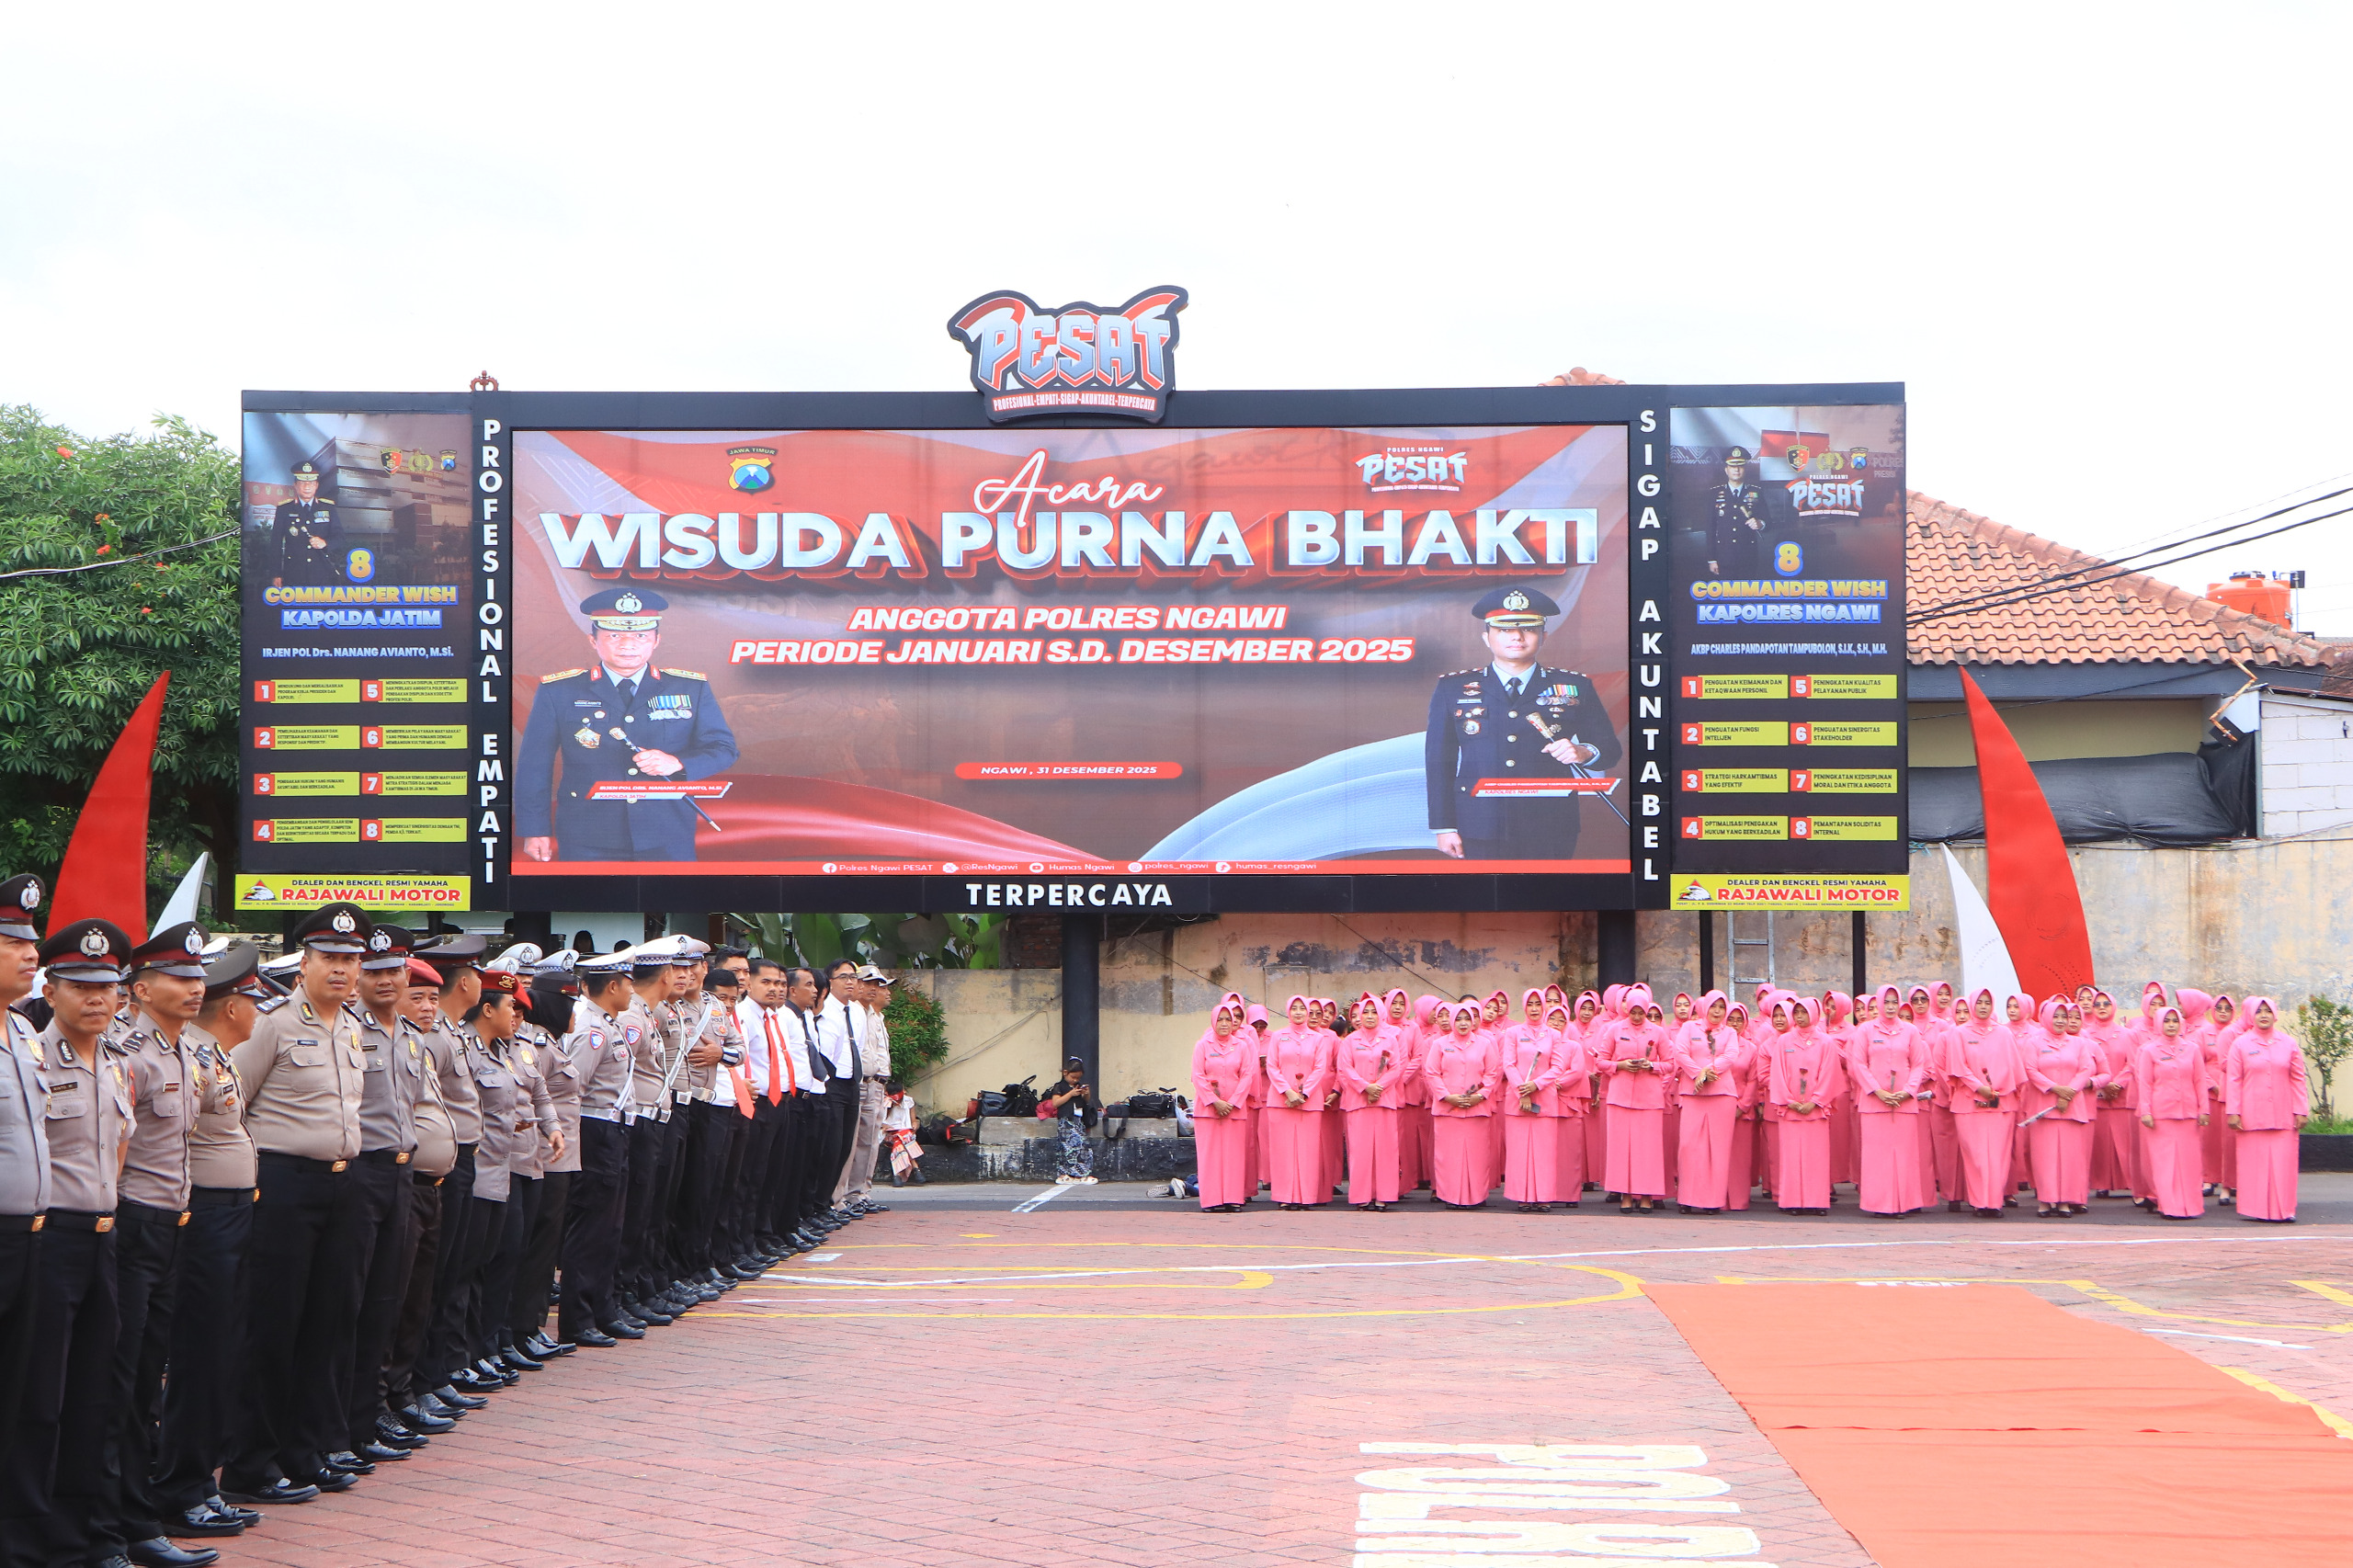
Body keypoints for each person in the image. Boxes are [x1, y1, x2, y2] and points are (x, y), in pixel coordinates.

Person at [221, 903, 371, 1507]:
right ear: (304, 963)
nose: (341, 969)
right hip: (282, 1186)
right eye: (329, 957)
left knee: (327, 1323)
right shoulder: (274, 1025)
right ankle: (251, 1464)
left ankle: (306, 1452)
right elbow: (230, 1102)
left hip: (341, 1185)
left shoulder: (352, 1027)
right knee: (273, 1327)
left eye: (349, 960)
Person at [97, 921, 215, 1568]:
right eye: (178, 977)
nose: (195, 988)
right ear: (140, 989)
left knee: (148, 1379)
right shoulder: (128, 1051)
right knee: (122, 1380)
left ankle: (136, 1515)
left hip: (173, 1224)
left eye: (198, 977)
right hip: (132, 1225)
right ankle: (117, 1525)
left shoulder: (184, 1050)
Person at [24, 918, 139, 1567]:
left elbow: (119, 1148)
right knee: (43, 1397)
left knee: (98, 1392)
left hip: (103, 1236)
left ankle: (85, 1536)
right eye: (81, 987)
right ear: (51, 991)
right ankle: (33, 1538)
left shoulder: (117, 1063)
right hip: (51, 1240)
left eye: (107, 988)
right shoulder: (33, 1061)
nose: (98, 999)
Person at [152, 942, 271, 1544]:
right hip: (204, 1215)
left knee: (224, 1348)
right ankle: (182, 1485)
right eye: (253, 1001)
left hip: (231, 1211)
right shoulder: (191, 1057)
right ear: (231, 1008)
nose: (258, 1013)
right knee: (200, 1352)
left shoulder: (212, 1053)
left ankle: (201, 1483)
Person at [517, 587, 741, 863]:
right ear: (593, 640)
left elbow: (723, 749)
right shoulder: (559, 691)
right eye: (614, 635)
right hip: (587, 831)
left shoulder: (690, 688)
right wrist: (534, 829)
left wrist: (677, 763)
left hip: (666, 830)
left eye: (640, 636)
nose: (628, 645)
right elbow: (534, 764)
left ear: (656, 641)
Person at [1425, 585, 1622, 862]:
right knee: (1486, 890)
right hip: (1479, 822)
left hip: (1550, 823)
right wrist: (1444, 826)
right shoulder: (1453, 688)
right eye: (1504, 629)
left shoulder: (1575, 686)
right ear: (1486, 637)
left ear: (1544, 636)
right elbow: (1439, 762)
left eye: (1529, 629)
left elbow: (1610, 750)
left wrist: (1583, 751)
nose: (1517, 636)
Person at [558, 947, 640, 1346]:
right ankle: (578, 1318)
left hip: (614, 1130)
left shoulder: (609, 1023)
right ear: (611, 987)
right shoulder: (591, 1029)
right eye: (628, 984)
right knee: (590, 1227)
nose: (632, 991)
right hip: (595, 1130)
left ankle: (603, 1309)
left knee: (610, 1227)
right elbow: (574, 1089)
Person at [0, 873, 47, 1564]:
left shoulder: (23, 1030)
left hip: (30, 1237)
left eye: (29, 942)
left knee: (18, 1394)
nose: (29, 953)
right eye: (11, 942)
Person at [1847, 985, 1927, 1217]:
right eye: (1886, 1002)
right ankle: (1878, 1204)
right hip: (1874, 1104)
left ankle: (1904, 1203)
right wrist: (1877, 1091)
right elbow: (1858, 1064)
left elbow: (1918, 1064)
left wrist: (1908, 1091)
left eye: (1894, 1002)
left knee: (1904, 1155)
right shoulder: (1865, 1030)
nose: (1890, 1007)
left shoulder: (1910, 1031)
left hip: (1904, 1103)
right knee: (1877, 1156)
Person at [2225, 997, 2305, 1222]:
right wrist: (2233, 1111)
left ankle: (2284, 1210)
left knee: (2283, 1165)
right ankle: (2255, 1210)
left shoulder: (2288, 1044)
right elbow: (2234, 1080)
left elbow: (2298, 1079)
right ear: (2251, 1015)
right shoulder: (2240, 1044)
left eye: (2268, 1011)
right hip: (2251, 1116)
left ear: (2275, 1015)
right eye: (2259, 1011)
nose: (2263, 1015)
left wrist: (2301, 1110)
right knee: (2255, 1165)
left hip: (2283, 1114)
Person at [1946, 988, 2021, 1218]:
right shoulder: (1959, 1033)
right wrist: (1979, 1088)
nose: (1983, 1007)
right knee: (1976, 1156)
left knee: (1998, 1156)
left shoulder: (2004, 1033)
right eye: (1979, 1002)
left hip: (2000, 1102)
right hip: (1969, 1103)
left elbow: (2014, 1067)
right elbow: (1958, 1067)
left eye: (1987, 1002)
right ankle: (1980, 1202)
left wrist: (1996, 1089)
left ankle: (1994, 1202)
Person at [1768, 995, 1845, 1215]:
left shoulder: (1826, 1042)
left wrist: (1816, 1101)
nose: (1800, 1017)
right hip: (1790, 1110)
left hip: (1816, 1110)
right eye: (1797, 1013)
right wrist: (1789, 1101)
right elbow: (1777, 1073)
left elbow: (1830, 1074)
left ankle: (1816, 1201)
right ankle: (1792, 1201)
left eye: (1804, 1012)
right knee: (1791, 1157)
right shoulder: (1784, 1042)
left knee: (1816, 1157)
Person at [1597, 984, 1669, 1213]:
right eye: (1633, 1012)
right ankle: (1625, 1194)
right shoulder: (1614, 1030)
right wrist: (1620, 1065)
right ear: (1627, 1009)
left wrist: (1652, 1066)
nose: (1637, 1017)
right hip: (1620, 1098)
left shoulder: (1658, 1032)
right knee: (1622, 1149)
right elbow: (1601, 1061)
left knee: (1648, 1149)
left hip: (1649, 1100)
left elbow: (1671, 1063)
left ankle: (1646, 1194)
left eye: (1641, 1013)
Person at [1672, 991, 1745, 1213]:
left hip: (1721, 1095)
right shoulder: (1689, 1028)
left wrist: (1709, 1071)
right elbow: (1680, 1052)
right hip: (1693, 1093)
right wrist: (1698, 1073)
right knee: (1689, 1147)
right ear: (1705, 1007)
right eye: (1714, 1006)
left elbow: (1731, 1055)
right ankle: (1687, 1198)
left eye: (1722, 1007)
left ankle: (1712, 1201)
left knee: (1717, 1150)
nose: (1717, 1011)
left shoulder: (1729, 1032)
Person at [2023, 1000, 2097, 1217]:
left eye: (2064, 1016)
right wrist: (2056, 1089)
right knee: (2044, 1157)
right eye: (2056, 1016)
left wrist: (2069, 1092)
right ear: (2047, 1018)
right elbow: (2031, 1070)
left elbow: (2085, 1069)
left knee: (2069, 1157)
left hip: (2071, 1108)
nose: (2061, 1021)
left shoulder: (2078, 1043)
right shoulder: (2034, 1042)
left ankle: (2065, 1200)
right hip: (2043, 1108)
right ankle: (2046, 1201)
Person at [2134, 1005, 2210, 1221]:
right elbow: (2145, 1083)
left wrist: (2204, 1109)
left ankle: (2191, 1206)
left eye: (2175, 1021)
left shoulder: (2192, 1049)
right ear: (2159, 1023)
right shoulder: (2149, 1050)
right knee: (2165, 1164)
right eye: (2166, 1021)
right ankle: (2169, 1206)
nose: (2171, 1025)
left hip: (2188, 1114)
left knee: (2189, 1163)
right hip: (2161, 1116)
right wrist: (2146, 1111)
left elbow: (2199, 1080)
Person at [1422, 1003, 1495, 1208]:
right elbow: (1432, 1073)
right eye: (1458, 1019)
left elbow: (1492, 1073)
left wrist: (1480, 1096)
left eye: (1467, 1019)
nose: (1463, 1023)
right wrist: (1446, 1096)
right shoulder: (1439, 1044)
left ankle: (1477, 1196)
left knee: (1477, 1155)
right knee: (1449, 1156)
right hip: (1448, 1110)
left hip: (1477, 1109)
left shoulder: (1485, 1044)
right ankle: (1450, 1197)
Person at [1188, 996, 1256, 1211]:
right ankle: (1211, 1200)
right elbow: (1197, 1076)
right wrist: (1215, 1101)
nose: (1225, 1023)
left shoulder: (1242, 1046)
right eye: (1220, 1019)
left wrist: (1233, 1102)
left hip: (1234, 1110)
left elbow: (1247, 1075)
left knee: (1233, 1155)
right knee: (1210, 1156)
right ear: (1213, 1021)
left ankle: (1233, 1198)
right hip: (1208, 1110)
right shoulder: (1203, 1045)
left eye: (1229, 1019)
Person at [1336, 995, 1403, 1211]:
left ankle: (1384, 1195)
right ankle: (1361, 1196)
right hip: (1358, 1102)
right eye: (1365, 1012)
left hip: (1384, 1101)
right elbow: (1345, 1068)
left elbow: (1396, 1068)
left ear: (1381, 1014)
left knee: (1385, 1150)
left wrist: (1378, 1087)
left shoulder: (1390, 1040)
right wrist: (1365, 1088)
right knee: (1360, 1151)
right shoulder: (1350, 1041)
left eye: (1374, 1012)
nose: (1370, 1016)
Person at [1260, 999, 1326, 1208]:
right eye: (1294, 1008)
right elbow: (1272, 1066)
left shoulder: (1318, 1038)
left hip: (1310, 1102)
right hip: (1281, 1101)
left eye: (1302, 1008)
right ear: (1288, 1011)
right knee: (1283, 1151)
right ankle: (1284, 1197)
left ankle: (1306, 1197)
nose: (1298, 1012)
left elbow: (1320, 1068)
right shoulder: (1278, 1036)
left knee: (1308, 1151)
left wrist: (1304, 1093)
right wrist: (1288, 1092)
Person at [269, 459, 338, 586]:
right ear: (295, 485)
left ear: (316, 485)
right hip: (294, 574)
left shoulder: (328, 507)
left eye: (311, 483)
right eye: (302, 482)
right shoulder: (284, 509)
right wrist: (276, 574)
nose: (307, 487)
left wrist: (325, 543)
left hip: (322, 574)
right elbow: (275, 544)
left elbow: (340, 538)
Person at [1703, 447, 1769, 578]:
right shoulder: (1715, 494)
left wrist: (1760, 523)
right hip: (1723, 557)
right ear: (1726, 470)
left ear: (1745, 469)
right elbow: (1710, 528)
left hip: (1748, 557)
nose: (1737, 469)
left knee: (1747, 590)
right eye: (1733, 466)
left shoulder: (1756, 492)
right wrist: (1712, 559)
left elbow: (1768, 522)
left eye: (1740, 466)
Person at [1040, 1057, 1098, 1185]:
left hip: (1078, 1119)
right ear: (1065, 1073)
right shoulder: (1059, 1086)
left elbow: (1086, 1101)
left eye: (1078, 1078)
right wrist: (1071, 1094)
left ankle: (1078, 1174)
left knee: (1081, 1146)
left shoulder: (1078, 1085)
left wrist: (1086, 1093)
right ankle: (1070, 1173)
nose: (1075, 1080)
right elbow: (1055, 1103)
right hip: (1066, 1121)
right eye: (1073, 1077)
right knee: (1070, 1147)